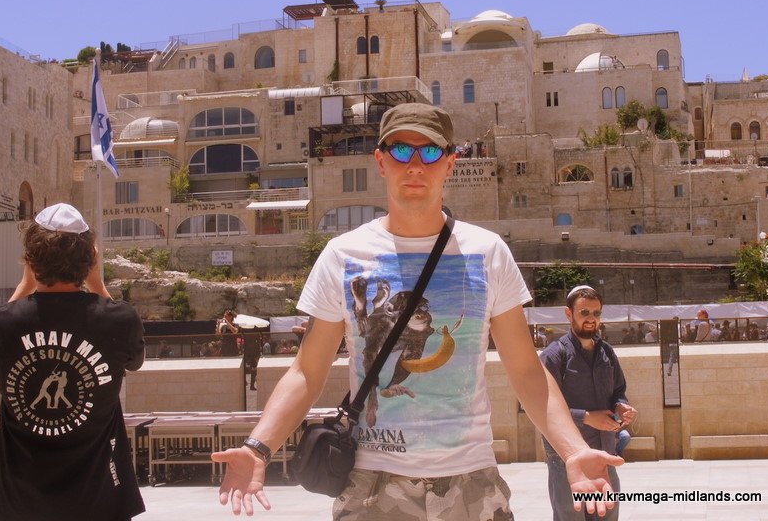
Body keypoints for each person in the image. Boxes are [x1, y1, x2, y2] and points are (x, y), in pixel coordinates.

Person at [212, 103, 620, 519]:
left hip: (471, 484)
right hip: (372, 487)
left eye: (429, 152)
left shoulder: (488, 252)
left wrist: (573, 450)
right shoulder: (343, 255)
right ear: (380, 161)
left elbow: (526, 370)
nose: (415, 165)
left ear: (450, 163)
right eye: (401, 151)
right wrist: (258, 446)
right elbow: (306, 371)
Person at [0, 203, 145, 521]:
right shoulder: (120, 320)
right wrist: (97, 284)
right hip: (100, 504)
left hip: (20, 507)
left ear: (30, 261)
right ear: (91, 260)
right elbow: (134, 360)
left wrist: (24, 287)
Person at [540, 285, 637, 521]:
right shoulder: (554, 355)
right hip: (566, 458)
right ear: (569, 314)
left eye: (596, 313)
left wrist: (621, 406)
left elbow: (618, 391)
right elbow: (541, 405)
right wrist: (585, 416)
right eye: (584, 313)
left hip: (604, 454)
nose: (591, 319)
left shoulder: (607, 352)